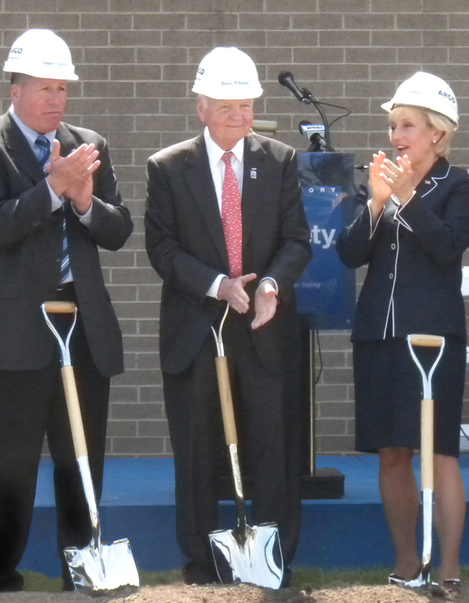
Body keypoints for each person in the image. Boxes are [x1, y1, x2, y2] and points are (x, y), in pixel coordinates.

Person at [0, 28, 133, 593]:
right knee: (4, 464)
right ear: (16, 90)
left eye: (63, 88)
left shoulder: (88, 143)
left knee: (80, 460)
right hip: (9, 334)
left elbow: (119, 230)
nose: (57, 100)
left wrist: (84, 200)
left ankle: (80, 571)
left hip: (81, 329)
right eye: (45, 88)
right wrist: (53, 189)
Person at [144, 47, 312, 587]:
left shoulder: (280, 160)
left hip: (263, 331)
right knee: (196, 452)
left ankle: (272, 562)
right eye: (226, 106)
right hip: (197, 330)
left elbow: (296, 242)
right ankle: (200, 565)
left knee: (272, 448)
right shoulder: (169, 168)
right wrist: (219, 286)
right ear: (201, 108)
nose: (238, 116)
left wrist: (268, 285)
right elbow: (162, 249)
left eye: (245, 104)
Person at [336, 72, 469, 591]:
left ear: (437, 133)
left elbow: (448, 246)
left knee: (439, 450)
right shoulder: (377, 181)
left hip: (434, 339)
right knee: (392, 452)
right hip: (378, 333)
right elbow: (349, 253)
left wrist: (407, 198)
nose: (397, 135)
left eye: (408, 126)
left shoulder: (463, 185)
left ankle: (448, 568)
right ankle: (406, 563)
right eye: (394, 125)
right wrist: (377, 202)